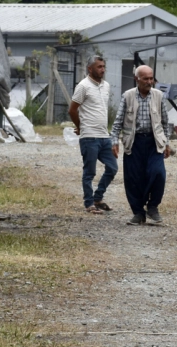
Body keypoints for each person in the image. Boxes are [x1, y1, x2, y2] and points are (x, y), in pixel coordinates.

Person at [111, 65, 171, 225]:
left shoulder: (158, 96)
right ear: (137, 79)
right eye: (146, 79)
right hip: (134, 142)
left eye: (151, 78)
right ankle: (138, 213)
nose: (149, 82)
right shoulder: (128, 96)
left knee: (158, 174)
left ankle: (153, 207)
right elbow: (118, 121)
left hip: (154, 142)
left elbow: (165, 122)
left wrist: (167, 143)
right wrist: (114, 141)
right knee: (133, 179)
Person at [69, 55, 117, 214]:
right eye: (99, 67)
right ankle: (89, 203)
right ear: (90, 69)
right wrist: (80, 126)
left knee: (112, 167)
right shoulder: (83, 86)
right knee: (89, 172)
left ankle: (98, 197)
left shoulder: (106, 86)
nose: (102, 69)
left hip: (104, 136)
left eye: (103, 66)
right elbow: (72, 110)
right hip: (89, 136)